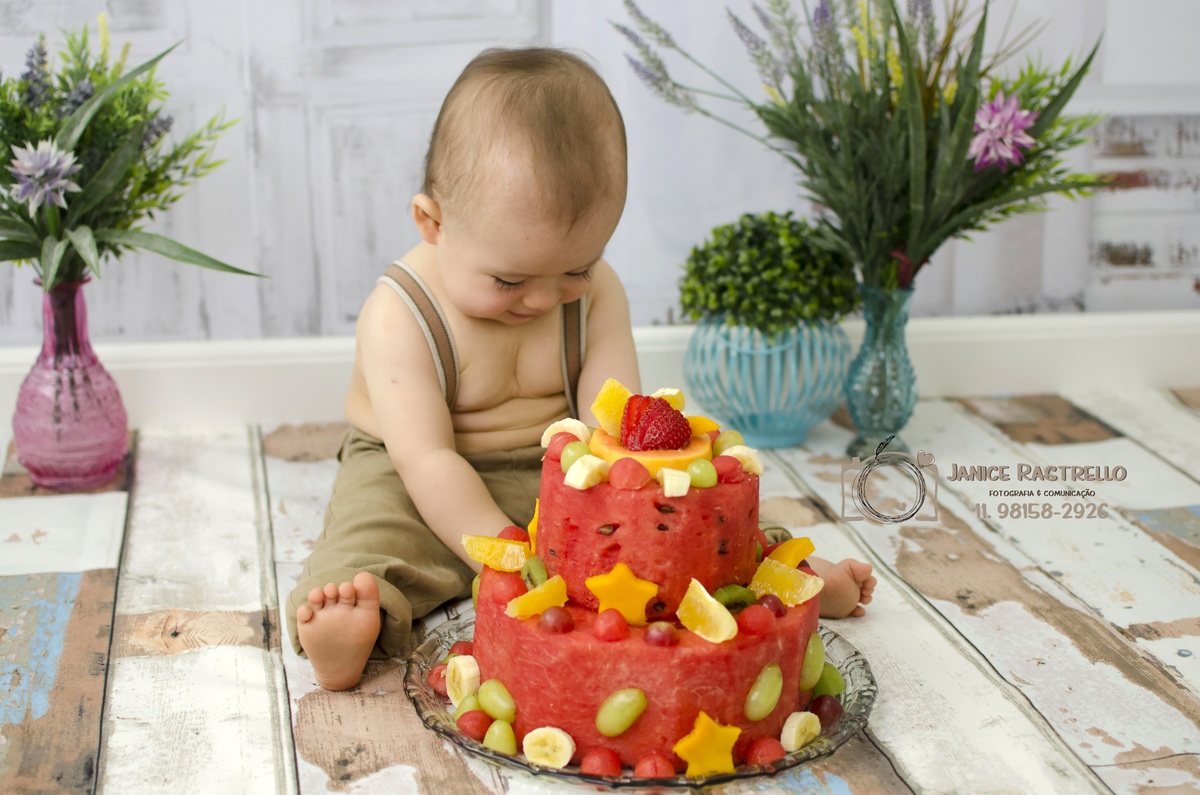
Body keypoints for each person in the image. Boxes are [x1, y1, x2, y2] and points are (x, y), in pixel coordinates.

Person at [286, 47, 875, 692]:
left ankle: (778, 572)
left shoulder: (598, 295)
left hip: (563, 468)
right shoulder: (399, 314)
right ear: (433, 222)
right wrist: (510, 555)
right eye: (509, 280)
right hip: (413, 468)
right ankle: (352, 623)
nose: (544, 299)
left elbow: (615, 429)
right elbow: (425, 459)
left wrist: (625, 510)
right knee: (373, 536)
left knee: (688, 529)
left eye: (574, 270)